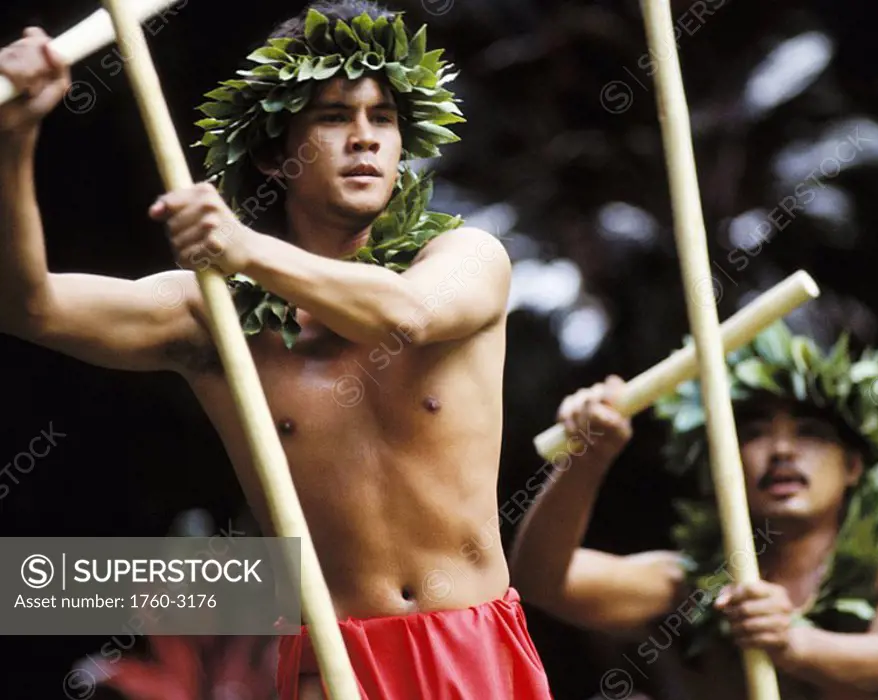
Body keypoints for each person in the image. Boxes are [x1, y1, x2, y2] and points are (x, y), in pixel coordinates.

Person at [0, 2, 552, 698]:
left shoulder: (467, 259)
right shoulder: (216, 318)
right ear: (271, 154)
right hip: (333, 658)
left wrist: (246, 248)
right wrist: (15, 139)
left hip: (471, 645)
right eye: (332, 117)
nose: (364, 139)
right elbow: (29, 306)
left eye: (382, 118)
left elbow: (404, 318)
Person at [510, 322, 878, 699]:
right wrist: (586, 460)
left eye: (810, 433)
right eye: (755, 434)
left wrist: (790, 642)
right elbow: (541, 580)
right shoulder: (695, 584)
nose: (782, 450)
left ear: (853, 466)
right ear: (722, 461)